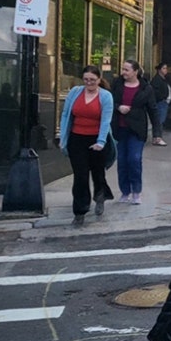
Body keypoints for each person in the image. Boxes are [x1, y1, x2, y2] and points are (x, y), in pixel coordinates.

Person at [59, 65, 114, 226]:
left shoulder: (106, 96)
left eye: (92, 80)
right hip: (77, 139)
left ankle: (100, 196)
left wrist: (101, 142)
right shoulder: (75, 92)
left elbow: (106, 120)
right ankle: (80, 211)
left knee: (98, 174)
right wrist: (63, 137)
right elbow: (65, 114)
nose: (89, 83)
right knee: (80, 176)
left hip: (97, 139)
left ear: (99, 79)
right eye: (86, 79)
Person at [110, 59, 161, 204]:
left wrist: (157, 133)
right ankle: (125, 191)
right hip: (119, 128)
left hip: (137, 129)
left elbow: (153, 109)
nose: (123, 72)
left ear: (135, 71)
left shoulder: (146, 88)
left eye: (127, 70)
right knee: (122, 161)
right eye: (123, 69)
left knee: (134, 159)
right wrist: (118, 107)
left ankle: (136, 191)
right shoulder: (117, 84)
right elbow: (109, 100)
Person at [149, 62, 171, 146]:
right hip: (160, 102)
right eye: (164, 68)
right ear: (159, 70)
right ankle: (158, 137)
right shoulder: (157, 80)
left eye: (166, 68)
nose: (166, 70)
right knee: (159, 121)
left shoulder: (163, 79)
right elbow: (155, 92)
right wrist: (162, 97)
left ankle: (157, 137)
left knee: (159, 120)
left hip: (163, 102)